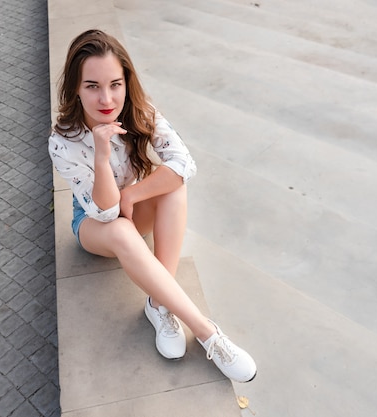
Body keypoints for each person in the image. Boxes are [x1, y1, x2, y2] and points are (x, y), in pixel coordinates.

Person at [48, 29, 256, 383]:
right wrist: (100, 156)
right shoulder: (62, 142)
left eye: (115, 83)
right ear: (76, 88)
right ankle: (208, 333)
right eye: (92, 86)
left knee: (172, 186)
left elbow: (183, 165)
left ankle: (159, 305)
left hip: (129, 209)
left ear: (127, 81)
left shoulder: (141, 112)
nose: (106, 98)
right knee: (122, 229)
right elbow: (105, 213)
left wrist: (133, 194)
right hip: (95, 226)